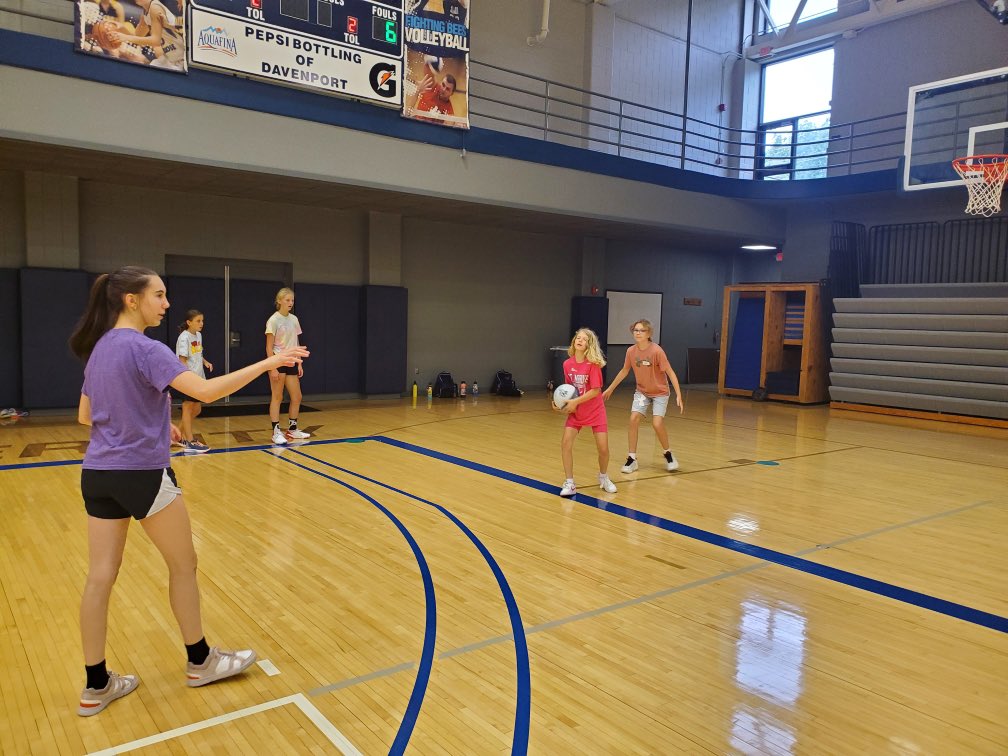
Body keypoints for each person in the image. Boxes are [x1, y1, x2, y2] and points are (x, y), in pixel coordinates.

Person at [68, 266, 308, 717]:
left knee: (99, 576)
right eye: (158, 295)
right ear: (131, 300)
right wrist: (270, 362)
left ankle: (95, 685)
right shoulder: (147, 348)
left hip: (98, 474)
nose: (166, 303)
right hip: (143, 475)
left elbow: (87, 416)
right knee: (184, 565)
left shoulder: (99, 349)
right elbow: (207, 391)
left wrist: (161, 428)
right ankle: (201, 661)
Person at [602, 319, 684, 473]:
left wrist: (678, 394)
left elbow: (670, 372)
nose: (638, 333)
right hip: (642, 392)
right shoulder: (631, 351)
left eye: (641, 330)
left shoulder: (656, 351)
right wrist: (610, 388)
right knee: (633, 419)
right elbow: (624, 370)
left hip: (660, 392)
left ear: (649, 334)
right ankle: (632, 458)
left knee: (657, 423)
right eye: (635, 330)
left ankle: (668, 453)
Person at [554, 328, 617, 498]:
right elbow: (567, 390)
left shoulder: (593, 364)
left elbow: (596, 391)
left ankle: (603, 478)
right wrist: (560, 404)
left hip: (595, 411)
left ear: (589, 344)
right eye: (578, 338)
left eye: (584, 339)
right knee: (566, 444)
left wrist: (574, 401)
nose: (580, 340)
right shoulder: (567, 364)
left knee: (603, 449)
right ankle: (569, 482)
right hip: (576, 412)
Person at [266, 287, 311, 446]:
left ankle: (292, 429)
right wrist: (272, 367)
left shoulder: (294, 319)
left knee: (297, 396)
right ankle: (276, 431)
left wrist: (299, 361)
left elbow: (296, 343)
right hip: (278, 361)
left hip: (292, 361)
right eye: (287, 300)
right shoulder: (273, 320)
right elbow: (269, 347)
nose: (290, 303)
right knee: (277, 397)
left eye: (292, 300)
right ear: (279, 301)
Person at [174, 309, 213, 453]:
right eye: (198, 321)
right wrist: (188, 379)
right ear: (189, 322)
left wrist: (205, 362)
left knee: (197, 409)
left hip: (199, 377)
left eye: (202, 320)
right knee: (188, 406)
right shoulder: (184, 338)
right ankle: (190, 442)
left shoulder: (198, 335)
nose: (201, 323)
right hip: (188, 378)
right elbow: (182, 360)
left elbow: (197, 353)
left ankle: (176, 435)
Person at [107, 0, 186, 70]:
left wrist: (125, 37)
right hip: (169, 58)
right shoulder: (145, 13)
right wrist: (122, 29)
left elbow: (155, 41)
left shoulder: (155, 8)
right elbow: (138, 37)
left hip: (181, 58)